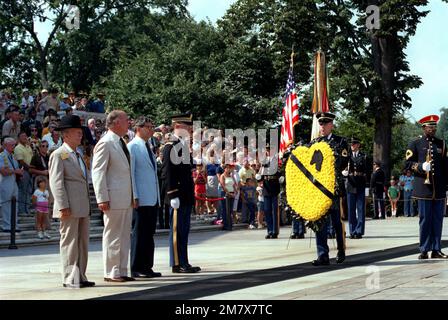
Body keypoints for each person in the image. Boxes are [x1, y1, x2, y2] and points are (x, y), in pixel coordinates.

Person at [48, 115, 94, 288]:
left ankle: (81, 275)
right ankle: (70, 277)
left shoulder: (78, 154)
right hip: (69, 207)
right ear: (65, 135)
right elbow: (56, 182)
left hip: (82, 206)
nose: (80, 135)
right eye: (76, 132)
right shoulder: (58, 155)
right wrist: (63, 205)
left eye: (80, 132)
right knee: (69, 243)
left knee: (82, 243)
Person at [92, 110, 135, 282]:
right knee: (113, 235)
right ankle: (111, 271)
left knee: (124, 235)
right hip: (113, 197)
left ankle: (122, 270)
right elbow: (98, 172)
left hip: (125, 197)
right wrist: (102, 197)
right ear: (116, 122)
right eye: (125, 120)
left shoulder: (121, 142)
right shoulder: (106, 143)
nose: (128, 122)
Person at [161, 112, 201, 273]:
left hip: (185, 194)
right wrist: (172, 194)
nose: (190, 130)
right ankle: (177, 263)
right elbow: (167, 172)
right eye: (187, 127)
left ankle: (184, 261)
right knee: (177, 231)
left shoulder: (183, 146)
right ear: (177, 127)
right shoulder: (170, 146)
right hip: (177, 194)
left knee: (184, 230)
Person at [405, 115, 448, 259]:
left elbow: (446, 166)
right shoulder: (415, 143)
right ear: (424, 128)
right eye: (430, 127)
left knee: (437, 219)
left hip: (439, 188)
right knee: (424, 219)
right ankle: (424, 249)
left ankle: (436, 249)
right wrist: (420, 166)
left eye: (434, 126)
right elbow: (407, 164)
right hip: (424, 188)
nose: (433, 129)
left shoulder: (441, 144)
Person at [310, 112, 349, 266]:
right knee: (319, 221)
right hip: (319, 189)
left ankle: (341, 250)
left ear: (331, 125)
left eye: (325, 124)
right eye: (321, 124)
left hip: (333, 188)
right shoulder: (315, 143)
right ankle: (322, 254)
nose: (322, 127)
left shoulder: (340, 142)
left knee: (336, 221)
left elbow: (344, 161)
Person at [127, 116, 162, 278]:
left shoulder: (148, 146)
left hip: (152, 197)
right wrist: (134, 195)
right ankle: (136, 267)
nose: (151, 129)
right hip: (140, 198)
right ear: (138, 128)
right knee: (139, 233)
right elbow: (131, 174)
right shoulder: (133, 146)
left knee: (148, 234)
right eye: (148, 127)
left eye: (152, 126)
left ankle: (147, 266)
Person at [343, 137, 367, 239]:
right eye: (351, 144)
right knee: (351, 209)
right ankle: (352, 231)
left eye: (354, 144)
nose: (352, 145)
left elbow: (368, 171)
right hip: (351, 184)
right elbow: (342, 166)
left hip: (360, 183)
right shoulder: (347, 157)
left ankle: (359, 231)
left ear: (358, 145)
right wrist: (343, 173)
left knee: (361, 209)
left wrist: (367, 186)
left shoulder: (364, 156)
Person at [0, 137, 23, 232]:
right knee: (6, 204)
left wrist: (19, 172)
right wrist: (16, 171)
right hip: (5, 182)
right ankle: (6, 225)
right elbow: (3, 171)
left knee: (15, 204)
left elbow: (15, 169)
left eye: (14, 145)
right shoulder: (1, 156)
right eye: (12, 145)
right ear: (6, 145)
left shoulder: (12, 156)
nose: (14, 147)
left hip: (13, 182)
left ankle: (14, 225)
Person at [259, 144, 281, 239]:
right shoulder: (264, 161)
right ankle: (269, 230)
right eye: (267, 149)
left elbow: (280, 172)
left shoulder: (276, 161)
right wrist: (259, 177)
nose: (268, 151)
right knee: (267, 210)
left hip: (274, 187)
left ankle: (275, 231)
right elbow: (260, 173)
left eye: (269, 149)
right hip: (266, 188)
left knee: (274, 211)